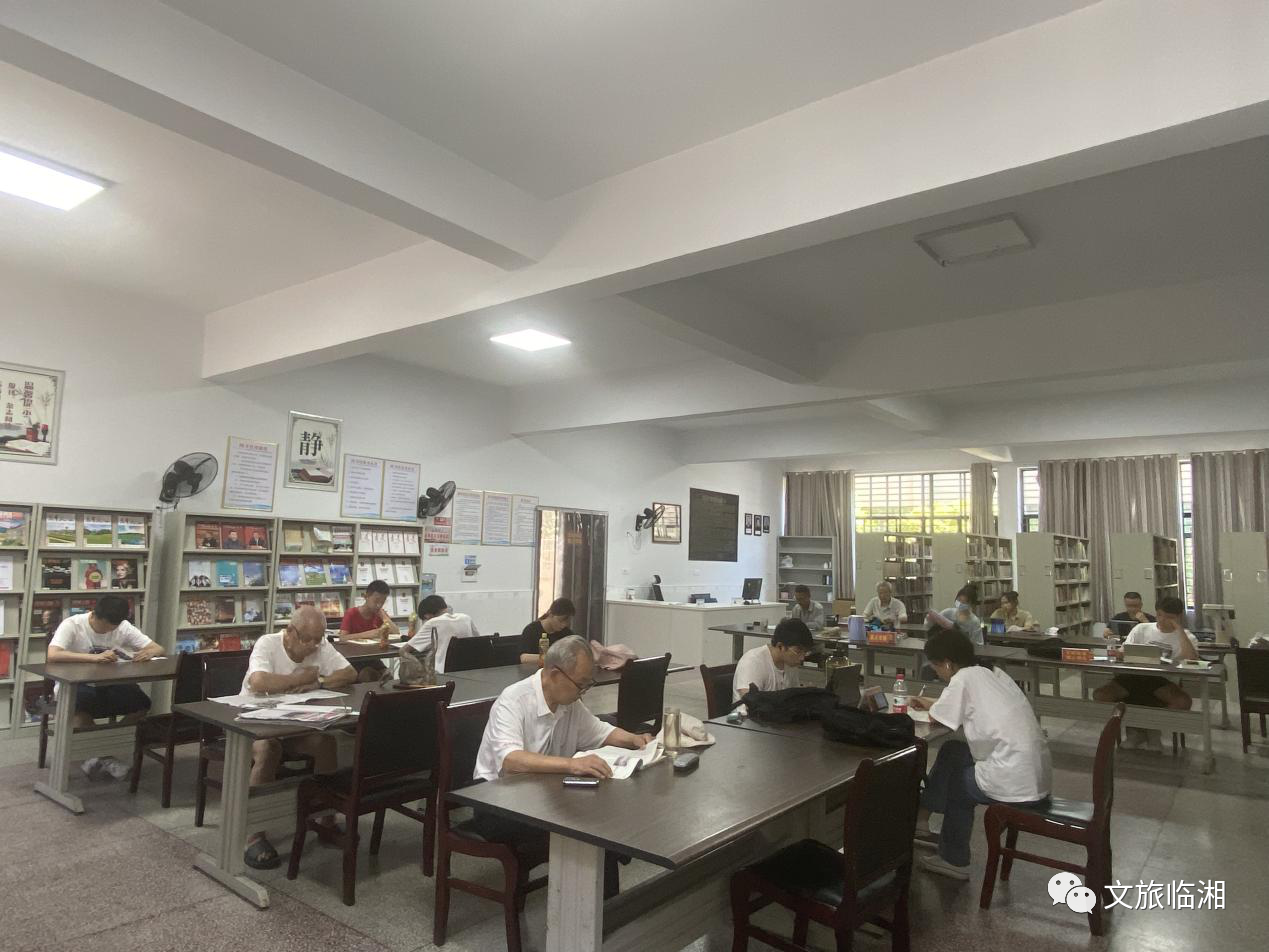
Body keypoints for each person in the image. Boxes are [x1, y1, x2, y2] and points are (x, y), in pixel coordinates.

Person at [473, 635, 652, 897]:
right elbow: (511, 759)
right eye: (581, 684)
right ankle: (595, 905)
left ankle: (604, 906)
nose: (583, 691)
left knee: (601, 821)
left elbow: (599, 731)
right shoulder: (514, 699)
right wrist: (572, 764)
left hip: (542, 794)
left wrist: (635, 740)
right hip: (496, 801)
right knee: (589, 830)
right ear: (555, 675)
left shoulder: (569, 703)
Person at [909, 627, 1051, 880]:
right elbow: (958, 708)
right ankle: (921, 821)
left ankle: (954, 860)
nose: (937, 673)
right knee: (954, 750)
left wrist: (928, 707)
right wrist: (932, 703)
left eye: (936, 667)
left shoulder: (963, 678)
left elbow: (939, 719)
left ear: (947, 663)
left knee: (960, 783)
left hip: (1013, 779)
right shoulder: (992, 673)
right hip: (1032, 773)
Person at [240, 605, 358, 869]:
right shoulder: (268, 643)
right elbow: (258, 681)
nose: (313, 646)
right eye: (307, 639)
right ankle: (254, 833)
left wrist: (320, 683)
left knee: (326, 743)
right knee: (268, 750)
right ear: (291, 632)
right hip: (254, 721)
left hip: (293, 722)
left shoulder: (319, 644)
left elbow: (350, 673)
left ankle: (326, 818)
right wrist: (298, 679)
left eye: (319, 639)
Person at [47, 594, 164, 780]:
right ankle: (105, 756)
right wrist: (92, 658)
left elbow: (157, 648)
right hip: (75, 684)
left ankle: (103, 750)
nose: (109, 630)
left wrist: (148, 653)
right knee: (77, 710)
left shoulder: (122, 626)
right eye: (105, 626)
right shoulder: (73, 624)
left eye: (113, 627)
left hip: (109, 683)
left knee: (142, 704)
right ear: (94, 614)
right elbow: (53, 654)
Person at [1093, 595, 1196, 751]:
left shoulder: (1187, 636)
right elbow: (1123, 650)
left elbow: (1192, 659)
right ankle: (1134, 730)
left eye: (1169, 617)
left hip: (1163, 680)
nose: (1162, 620)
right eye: (1159, 615)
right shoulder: (1141, 628)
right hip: (1132, 677)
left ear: (1179, 616)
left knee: (1183, 702)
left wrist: (1179, 630)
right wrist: (1119, 653)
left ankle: (1152, 730)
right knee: (1101, 695)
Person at [733, 617, 815, 702]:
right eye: (798, 651)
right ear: (780, 646)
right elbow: (750, 702)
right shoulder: (753, 661)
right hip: (751, 710)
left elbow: (792, 697)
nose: (802, 658)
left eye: (805, 652)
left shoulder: (790, 664)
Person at [339, 579, 400, 681]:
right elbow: (342, 638)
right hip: (355, 659)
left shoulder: (379, 613)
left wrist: (383, 615)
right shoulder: (352, 613)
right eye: (376, 601)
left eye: (382, 602)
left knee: (388, 676)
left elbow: (396, 632)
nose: (379, 605)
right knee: (367, 674)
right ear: (366, 596)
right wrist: (368, 634)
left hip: (373, 657)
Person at [406, 595, 479, 673]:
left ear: (427, 615)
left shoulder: (432, 623)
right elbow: (477, 640)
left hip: (442, 672)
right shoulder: (466, 618)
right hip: (469, 670)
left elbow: (405, 649)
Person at [518, 597, 576, 664]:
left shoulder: (566, 633)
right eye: (560, 620)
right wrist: (550, 657)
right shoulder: (531, 630)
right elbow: (524, 658)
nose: (564, 625)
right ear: (550, 614)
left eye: (567, 622)